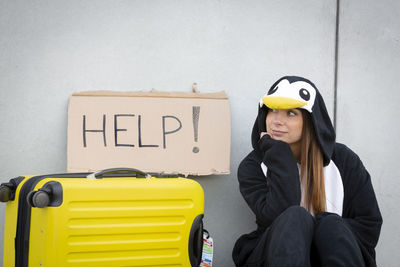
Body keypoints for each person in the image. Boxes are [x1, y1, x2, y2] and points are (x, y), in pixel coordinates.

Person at [232, 76, 382, 267]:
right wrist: (279, 157)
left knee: (331, 225)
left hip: (334, 254)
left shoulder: (344, 161)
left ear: (311, 120)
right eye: (273, 110)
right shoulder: (253, 166)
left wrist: (320, 231)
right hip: (277, 255)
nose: (277, 121)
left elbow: (369, 226)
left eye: (291, 113)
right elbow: (275, 217)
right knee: (295, 218)